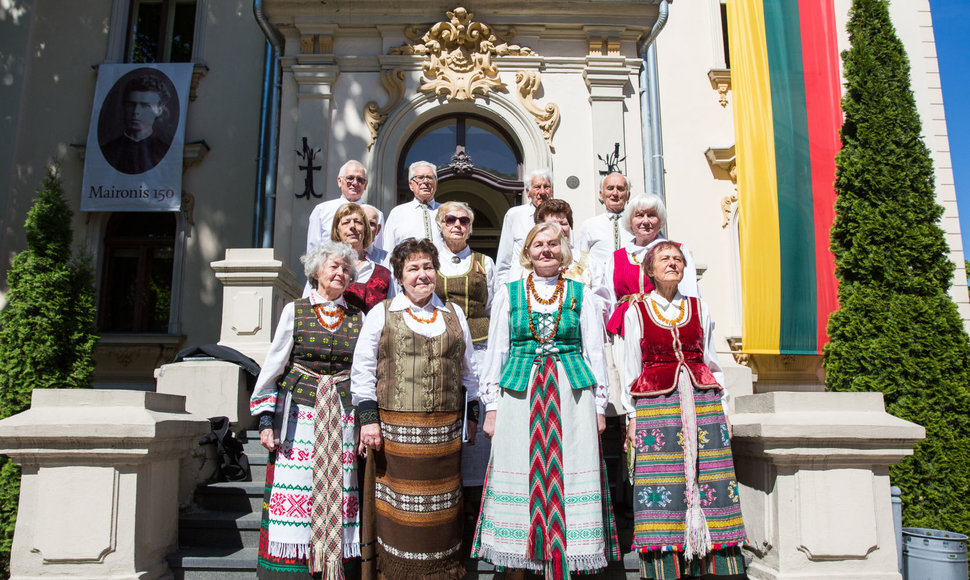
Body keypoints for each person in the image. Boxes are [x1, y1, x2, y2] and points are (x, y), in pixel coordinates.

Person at [473, 222, 619, 580]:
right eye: (538, 244)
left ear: (563, 250)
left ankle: (568, 560)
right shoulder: (510, 293)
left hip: (571, 393)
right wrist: (491, 406)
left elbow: (594, 351)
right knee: (519, 470)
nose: (546, 250)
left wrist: (599, 405)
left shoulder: (580, 293)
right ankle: (517, 565)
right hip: (520, 393)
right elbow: (498, 351)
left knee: (570, 468)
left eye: (553, 244)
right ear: (527, 252)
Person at [351, 238, 480, 580]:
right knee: (398, 515)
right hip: (395, 438)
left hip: (445, 437)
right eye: (413, 268)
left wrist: (473, 415)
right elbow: (362, 371)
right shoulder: (382, 313)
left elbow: (469, 372)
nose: (422, 275)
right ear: (399, 276)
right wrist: (368, 422)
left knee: (444, 512)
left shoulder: (454, 314)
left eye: (427, 267)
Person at [621, 241, 746, 579]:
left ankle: (714, 565)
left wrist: (723, 408)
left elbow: (712, 363)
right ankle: (666, 567)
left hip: (703, 403)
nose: (672, 264)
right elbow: (630, 366)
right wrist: (631, 416)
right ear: (650, 269)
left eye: (677, 260)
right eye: (665, 259)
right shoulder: (637, 311)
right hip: (657, 405)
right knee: (662, 483)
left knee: (712, 479)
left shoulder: (699, 308)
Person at [250, 241, 364, 579]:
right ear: (316, 271)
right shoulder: (295, 310)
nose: (341, 273)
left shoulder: (358, 316)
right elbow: (274, 365)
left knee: (341, 487)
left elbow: (363, 371)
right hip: (298, 414)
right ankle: (291, 569)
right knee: (296, 488)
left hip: (342, 415)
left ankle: (334, 565)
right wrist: (266, 420)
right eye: (334, 266)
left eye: (346, 269)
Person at [432, 201, 497, 501]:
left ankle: (477, 498)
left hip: (481, 347)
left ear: (470, 227)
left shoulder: (485, 263)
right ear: (441, 224)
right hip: (443, 347)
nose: (457, 224)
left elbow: (494, 307)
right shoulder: (430, 262)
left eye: (464, 220)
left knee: (480, 412)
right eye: (451, 219)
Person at [606, 193, 699, 337]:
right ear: (630, 220)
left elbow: (690, 293)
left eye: (651, 215)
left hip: (665, 325)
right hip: (626, 328)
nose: (645, 221)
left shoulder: (677, 251)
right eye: (639, 215)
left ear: (660, 220)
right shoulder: (616, 257)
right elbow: (610, 298)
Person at [532, 199, 614, 323]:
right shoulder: (531, 263)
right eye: (553, 224)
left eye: (564, 223)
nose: (559, 228)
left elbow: (603, 302)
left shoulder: (588, 262)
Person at [306, 160, 385, 256]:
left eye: (360, 180)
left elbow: (378, 250)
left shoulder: (376, 214)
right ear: (339, 181)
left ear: (365, 185)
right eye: (350, 178)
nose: (355, 183)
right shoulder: (322, 211)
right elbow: (313, 251)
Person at [101, 74, 172, 174]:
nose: (136, 111)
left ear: (159, 110)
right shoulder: (107, 151)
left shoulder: (166, 152)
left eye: (145, 106)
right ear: (124, 107)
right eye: (131, 105)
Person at [327, 203, 391, 312]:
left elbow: (391, 308)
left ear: (365, 230)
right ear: (337, 230)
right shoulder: (324, 265)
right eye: (346, 222)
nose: (352, 226)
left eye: (358, 222)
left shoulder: (382, 272)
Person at [494, 169, 554, 284]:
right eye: (537, 187)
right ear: (527, 192)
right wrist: (504, 287)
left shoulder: (560, 217)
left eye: (546, 187)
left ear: (551, 191)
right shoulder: (514, 215)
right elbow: (503, 261)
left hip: (552, 285)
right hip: (520, 285)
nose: (542, 192)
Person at [575, 172, 635, 267]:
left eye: (620, 189)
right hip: (599, 281)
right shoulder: (589, 226)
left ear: (628, 195)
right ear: (601, 195)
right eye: (610, 188)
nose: (615, 193)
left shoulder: (637, 225)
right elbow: (580, 264)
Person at [381, 161, 441, 250]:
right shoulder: (397, 213)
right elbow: (388, 248)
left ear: (436, 183)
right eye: (420, 177)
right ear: (411, 185)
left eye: (430, 177)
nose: (425, 181)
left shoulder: (445, 211)